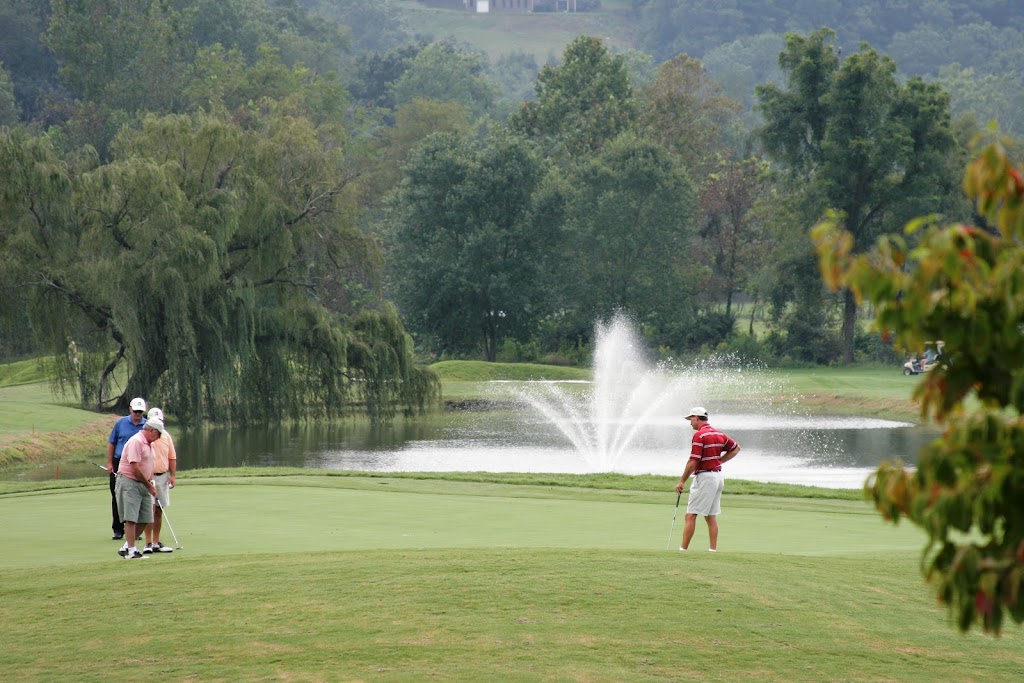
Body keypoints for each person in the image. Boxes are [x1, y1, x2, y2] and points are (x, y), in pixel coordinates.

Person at [675, 406, 741, 552]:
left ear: (696, 418)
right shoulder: (718, 433)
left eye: (691, 419)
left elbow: (693, 461)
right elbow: (736, 449)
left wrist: (681, 481)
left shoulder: (700, 435)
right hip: (718, 477)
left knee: (690, 515)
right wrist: (719, 461)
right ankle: (712, 551)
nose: (690, 422)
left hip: (705, 478)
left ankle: (682, 551)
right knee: (710, 516)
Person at [114, 417, 164, 559]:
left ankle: (126, 547)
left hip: (144, 483)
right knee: (131, 518)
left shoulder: (150, 444)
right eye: (159, 433)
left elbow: (148, 465)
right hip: (130, 482)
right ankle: (131, 551)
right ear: (152, 431)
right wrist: (149, 486)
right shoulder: (136, 441)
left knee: (146, 517)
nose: (160, 437)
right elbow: (135, 468)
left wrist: (151, 481)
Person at [106, 397, 147, 540]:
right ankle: (118, 529)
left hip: (138, 464)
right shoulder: (121, 423)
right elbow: (112, 443)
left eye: (140, 412)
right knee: (117, 495)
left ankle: (133, 530)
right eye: (136, 411)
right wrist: (110, 463)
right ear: (130, 409)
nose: (138, 414)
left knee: (135, 497)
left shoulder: (146, 426)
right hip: (119, 462)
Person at [142, 407, 176, 554]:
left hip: (162, 477)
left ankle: (156, 542)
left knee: (158, 510)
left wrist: (173, 475)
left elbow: (172, 457)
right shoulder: (143, 438)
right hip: (148, 478)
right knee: (149, 510)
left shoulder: (166, 436)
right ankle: (148, 543)